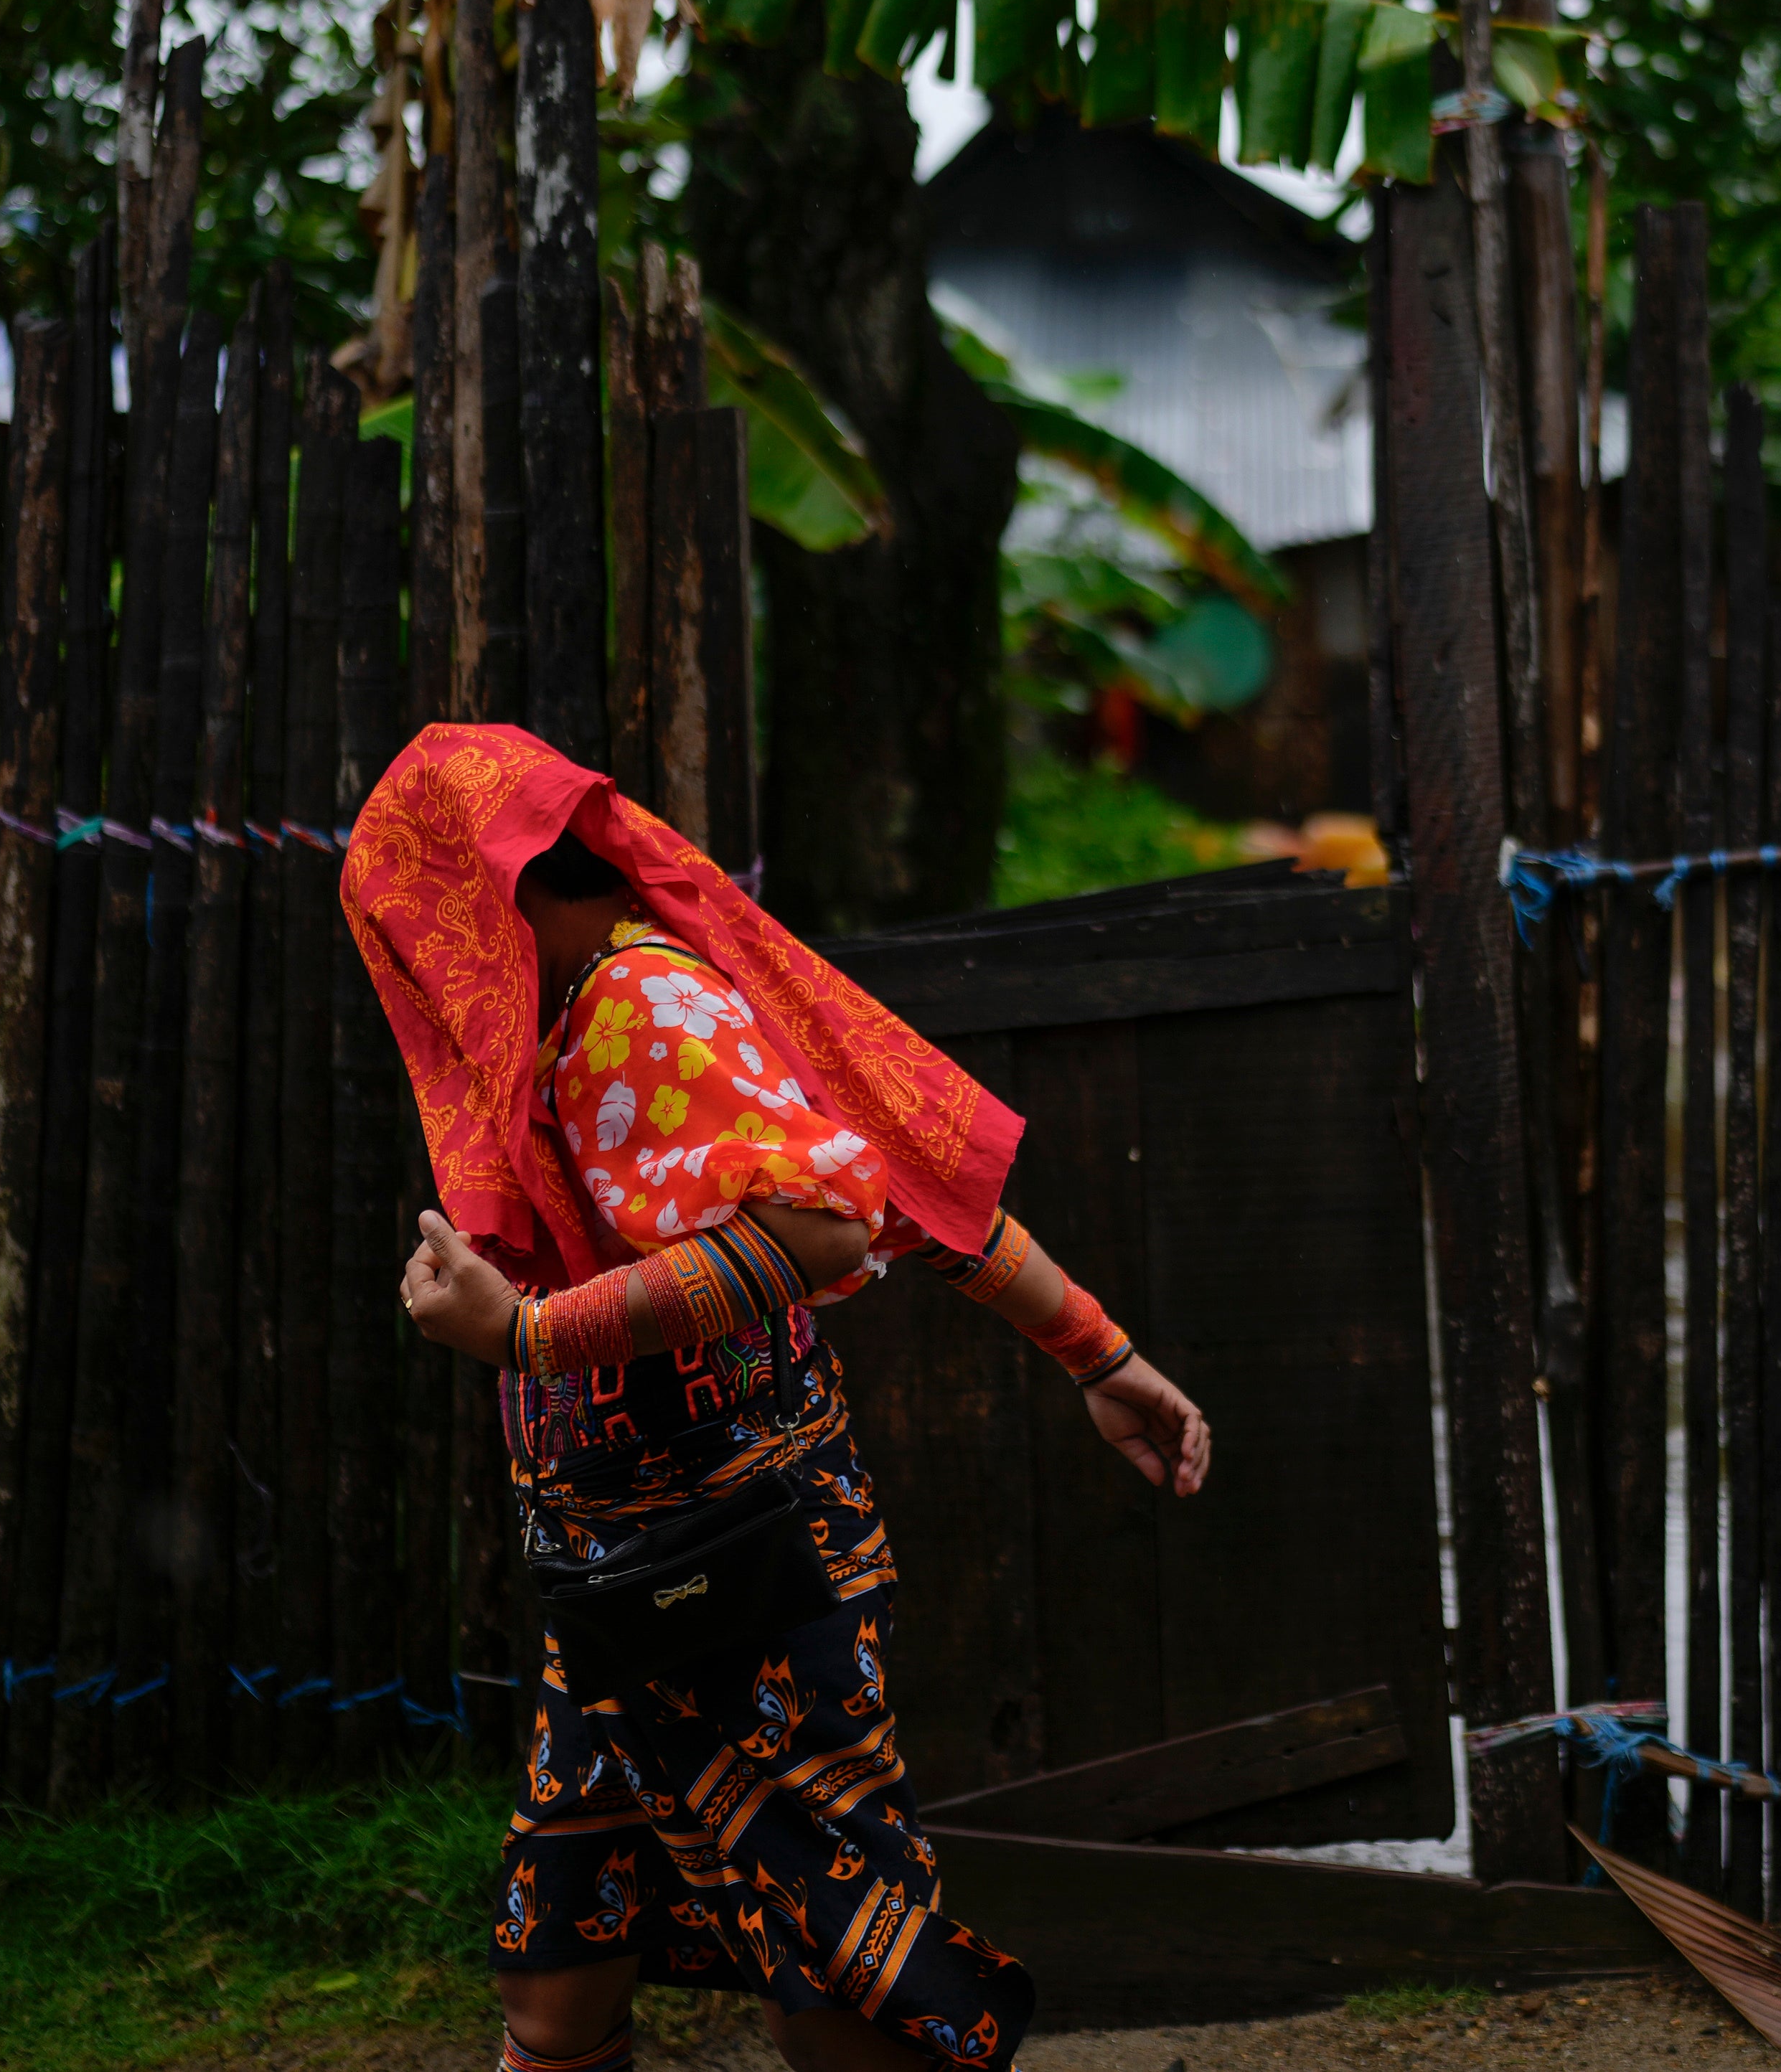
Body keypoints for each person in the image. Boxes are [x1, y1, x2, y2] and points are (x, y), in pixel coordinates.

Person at [342, 725, 1210, 2072]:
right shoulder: (579, 1012)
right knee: (556, 1980)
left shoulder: (641, 1005)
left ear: (480, 899)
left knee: (836, 1969)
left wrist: (519, 1335)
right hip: (620, 1572)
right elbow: (900, 1182)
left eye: (415, 929)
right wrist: (1097, 1353)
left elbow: (819, 1225)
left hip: (737, 1568)